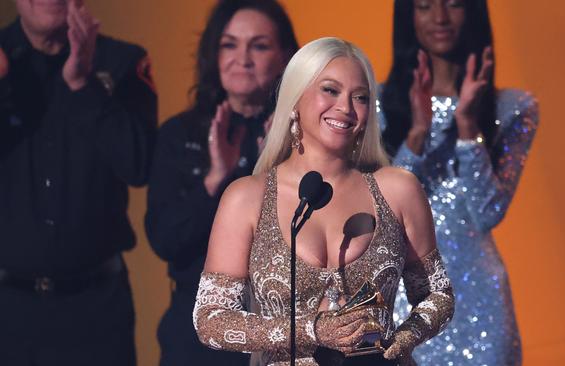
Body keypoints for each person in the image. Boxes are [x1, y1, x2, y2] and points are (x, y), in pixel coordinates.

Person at [192, 37, 454, 366]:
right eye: (330, 90)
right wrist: (311, 330)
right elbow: (210, 319)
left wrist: (405, 336)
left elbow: (436, 293)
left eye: (360, 97)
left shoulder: (397, 189)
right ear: (295, 98)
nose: (345, 107)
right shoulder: (247, 197)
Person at [380, 0, 539, 365]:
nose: (440, 18)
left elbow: (487, 213)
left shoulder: (511, 107)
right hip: (408, 303)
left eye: (453, 4)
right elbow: (383, 210)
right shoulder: (378, 103)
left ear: (472, 13)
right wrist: (418, 133)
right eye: (424, 6)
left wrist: (468, 127)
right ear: (409, 16)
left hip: (481, 303)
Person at [0, 0, 157, 365]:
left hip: (97, 308)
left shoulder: (121, 61)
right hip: (8, 310)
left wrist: (84, 84)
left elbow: (140, 166)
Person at [144, 1, 298, 365]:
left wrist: (279, 164)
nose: (242, 59)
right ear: (213, 54)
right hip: (197, 336)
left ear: (285, 56)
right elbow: (165, 239)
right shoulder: (179, 134)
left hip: (282, 331)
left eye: (258, 46)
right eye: (229, 45)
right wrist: (215, 179)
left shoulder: (305, 137)